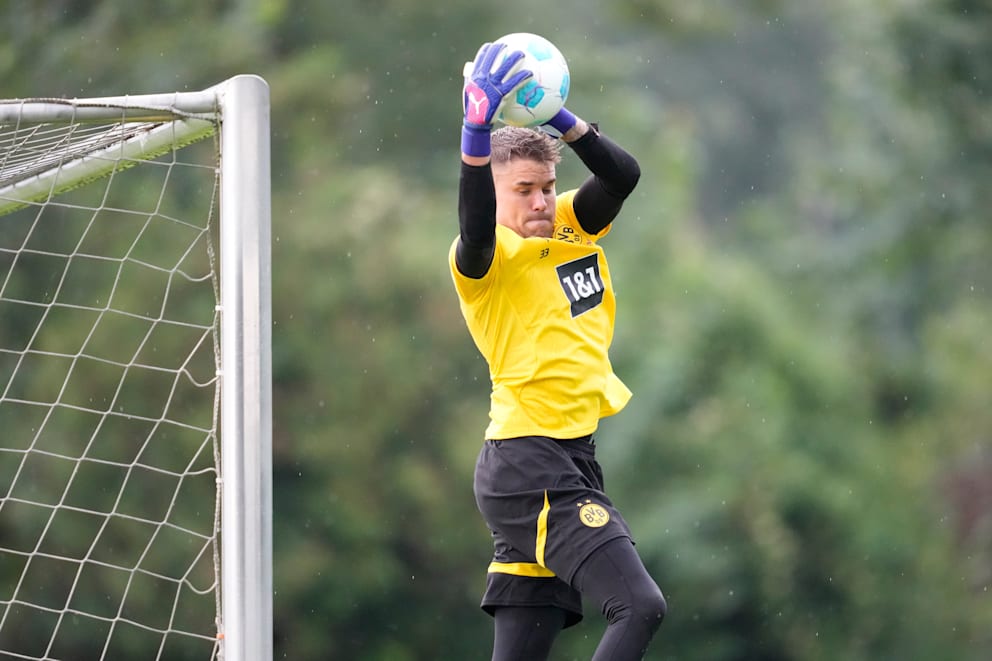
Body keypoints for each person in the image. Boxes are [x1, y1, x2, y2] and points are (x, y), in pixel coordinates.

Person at [449, 42, 667, 661]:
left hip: (569, 458)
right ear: (495, 197)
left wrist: (561, 119)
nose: (542, 201)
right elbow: (471, 222)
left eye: (547, 187)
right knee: (639, 606)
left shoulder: (570, 222)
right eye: (524, 191)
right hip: (529, 466)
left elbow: (623, 175)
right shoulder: (484, 260)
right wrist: (475, 130)